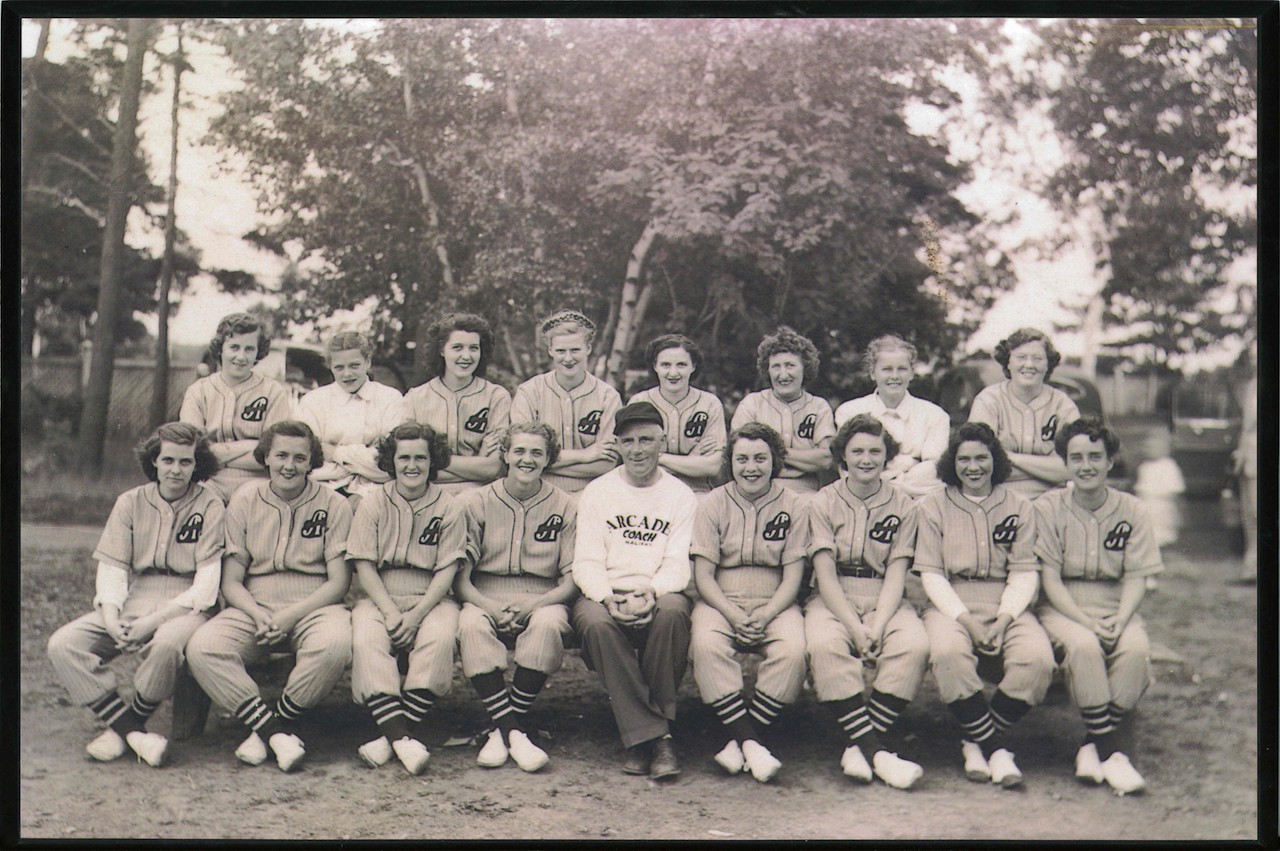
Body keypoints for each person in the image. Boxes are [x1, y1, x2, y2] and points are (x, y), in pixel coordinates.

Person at [47, 422, 225, 768]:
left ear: (197, 464)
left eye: (185, 462)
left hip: (187, 603)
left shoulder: (211, 504)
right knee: (63, 644)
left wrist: (152, 622)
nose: (176, 470)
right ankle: (134, 733)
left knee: (166, 645)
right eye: (168, 460)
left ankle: (125, 730)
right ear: (154, 461)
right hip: (138, 594)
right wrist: (112, 618)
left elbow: (206, 588)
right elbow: (113, 569)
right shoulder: (130, 502)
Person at [185, 420, 353, 773]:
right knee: (203, 647)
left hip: (315, 604)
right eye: (281, 456)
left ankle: (271, 727)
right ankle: (273, 732)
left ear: (312, 461)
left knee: (335, 645)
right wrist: (258, 614)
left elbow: (339, 583)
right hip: (254, 605)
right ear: (265, 457)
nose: (289, 466)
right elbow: (231, 581)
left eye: (299, 458)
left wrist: (290, 616)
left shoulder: (335, 504)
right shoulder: (245, 500)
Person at [914, 422, 1054, 788]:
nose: (973, 467)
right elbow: (932, 574)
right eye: (964, 459)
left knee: (1037, 659)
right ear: (952, 462)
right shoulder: (933, 505)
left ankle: (974, 740)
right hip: (951, 601)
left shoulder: (1019, 506)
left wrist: (1005, 619)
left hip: (1007, 602)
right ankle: (996, 749)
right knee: (948, 653)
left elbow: (1024, 572)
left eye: (981, 458)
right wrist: (968, 622)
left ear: (996, 460)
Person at [1035, 417, 1162, 796]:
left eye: (1095, 457)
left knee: (1135, 650)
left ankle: (1092, 744)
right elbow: (1050, 580)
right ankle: (1112, 753)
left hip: (1116, 602)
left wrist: (1121, 620)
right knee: (1084, 646)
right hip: (1064, 605)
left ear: (1109, 461)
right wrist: (1085, 621)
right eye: (1076, 458)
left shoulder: (1132, 509)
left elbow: (1137, 576)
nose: (1086, 465)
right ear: (1066, 463)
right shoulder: (1049, 508)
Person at [572, 401, 699, 780]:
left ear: (662, 442)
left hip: (658, 590)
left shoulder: (680, 494)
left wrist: (650, 592)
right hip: (605, 591)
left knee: (673, 614)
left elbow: (677, 562)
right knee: (595, 623)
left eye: (646, 440)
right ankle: (658, 738)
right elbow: (587, 561)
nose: (637, 450)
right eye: (627, 441)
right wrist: (607, 597)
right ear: (617, 445)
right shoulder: (598, 491)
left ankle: (641, 738)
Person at [804, 415, 929, 789]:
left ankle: (857, 746)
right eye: (857, 451)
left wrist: (876, 624)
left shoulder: (904, 504)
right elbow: (825, 574)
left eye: (875, 451)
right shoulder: (823, 501)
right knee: (825, 645)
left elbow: (897, 573)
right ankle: (876, 752)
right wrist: (855, 627)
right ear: (843, 455)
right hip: (834, 594)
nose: (866, 459)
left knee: (913, 645)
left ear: (887, 456)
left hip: (884, 594)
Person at [455, 422, 578, 772]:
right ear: (505, 455)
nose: (527, 459)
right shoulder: (476, 502)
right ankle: (514, 731)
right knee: (471, 625)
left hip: (543, 593)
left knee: (548, 624)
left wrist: (534, 605)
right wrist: (490, 607)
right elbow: (461, 582)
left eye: (537, 452)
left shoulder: (566, 505)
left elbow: (571, 581)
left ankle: (501, 729)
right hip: (484, 592)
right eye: (519, 451)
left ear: (548, 459)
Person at [689, 423, 807, 782]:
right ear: (730, 462)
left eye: (760, 458)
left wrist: (768, 613)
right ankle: (753, 745)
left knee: (793, 651)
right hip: (721, 597)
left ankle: (741, 741)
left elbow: (793, 576)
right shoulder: (712, 503)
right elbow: (703, 576)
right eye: (741, 459)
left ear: (775, 461)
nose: (751, 467)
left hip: (776, 598)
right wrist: (732, 613)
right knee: (706, 645)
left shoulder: (794, 504)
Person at [346, 421, 466, 775]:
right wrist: (390, 611)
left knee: (440, 636)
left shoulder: (449, 505)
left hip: (431, 596)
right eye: (404, 458)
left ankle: (390, 738)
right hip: (380, 593)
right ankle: (403, 739)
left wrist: (416, 615)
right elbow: (364, 564)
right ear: (391, 461)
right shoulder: (373, 502)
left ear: (433, 461)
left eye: (420, 458)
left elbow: (448, 570)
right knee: (367, 638)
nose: (412, 466)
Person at [180, 312, 292, 502]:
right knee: (199, 505)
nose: (241, 357)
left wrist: (216, 451)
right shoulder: (198, 391)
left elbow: (275, 455)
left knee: (247, 503)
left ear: (258, 351)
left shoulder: (273, 392)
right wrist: (251, 446)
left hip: (258, 481)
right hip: (207, 479)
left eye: (249, 349)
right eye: (234, 347)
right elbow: (192, 451)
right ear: (220, 349)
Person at [511, 309, 621, 498]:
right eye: (561, 351)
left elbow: (606, 463)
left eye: (575, 350)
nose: (568, 358)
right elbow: (523, 457)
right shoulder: (529, 392)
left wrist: (545, 463)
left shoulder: (608, 396)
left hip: (592, 493)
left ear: (588, 348)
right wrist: (585, 455)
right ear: (550, 350)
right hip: (537, 492)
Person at [403, 313, 511, 496]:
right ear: (441, 350)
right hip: (426, 496)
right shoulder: (415, 398)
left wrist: (432, 459)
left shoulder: (496, 397)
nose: (466, 356)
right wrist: (476, 462)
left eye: (474, 348)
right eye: (457, 347)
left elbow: (493, 468)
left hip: (481, 496)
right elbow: (408, 467)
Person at [967, 328, 1079, 499]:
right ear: (1008, 363)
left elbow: (1073, 467)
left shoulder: (1063, 405)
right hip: (997, 499)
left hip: (1053, 500)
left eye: (1037, 358)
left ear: (1048, 365)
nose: (1029, 365)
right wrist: (1048, 467)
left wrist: (1010, 457)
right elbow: (979, 465)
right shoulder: (988, 401)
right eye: (1021, 357)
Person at [296, 330, 406, 502]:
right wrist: (365, 459)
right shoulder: (312, 401)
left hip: (376, 489)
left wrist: (335, 453)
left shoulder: (391, 399)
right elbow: (306, 461)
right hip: (323, 488)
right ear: (330, 366)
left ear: (368, 362)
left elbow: (390, 465)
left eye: (354, 365)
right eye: (339, 367)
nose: (347, 374)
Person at [834, 335, 949, 498]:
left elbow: (934, 473)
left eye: (902, 369)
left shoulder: (935, 415)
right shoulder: (849, 412)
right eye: (887, 369)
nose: (895, 376)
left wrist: (884, 482)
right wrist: (911, 462)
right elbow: (851, 470)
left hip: (918, 502)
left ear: (912, 373)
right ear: (873, 373)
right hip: (864, 501)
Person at [731, 326, 835, 494]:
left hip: (806, 491)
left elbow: (825, 459)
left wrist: (771, 451)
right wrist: (804, 457)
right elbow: (741, 456)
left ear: (805, 368)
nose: (783, 374)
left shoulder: (818, 407)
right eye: (776, 367)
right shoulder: (752, 404)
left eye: (790, 365)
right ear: (767, 370)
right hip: (759, 490)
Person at [627, 333, 727, 496]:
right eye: (665, 365)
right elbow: (635, 462)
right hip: (649, 492)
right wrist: (692, 460)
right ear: (655, 366)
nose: (673, 373)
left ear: (693, 366)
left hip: (697, 492)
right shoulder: (640, 402)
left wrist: (656, 456)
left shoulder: (710, 404)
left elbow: (712, 466)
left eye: (681, 365)